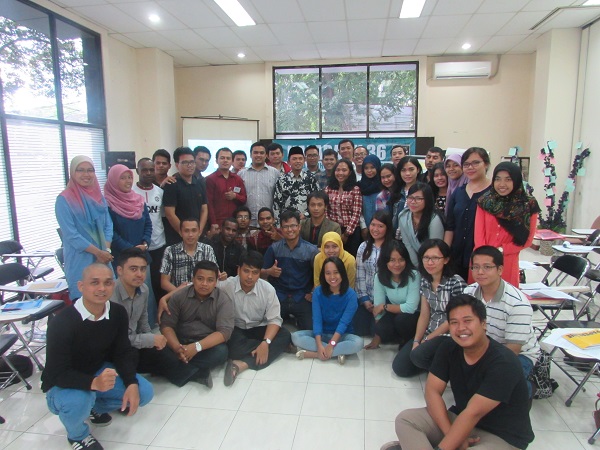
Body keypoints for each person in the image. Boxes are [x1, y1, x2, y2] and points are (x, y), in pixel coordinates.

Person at [389, 294, 534, 450]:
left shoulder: (504, 362)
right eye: (454, 322)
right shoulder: (448, 347)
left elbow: (473, 413)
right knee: (406, 420)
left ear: (483, 324)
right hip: (460, 420)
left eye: (467, 321)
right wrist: (450, 434)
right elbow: (432, 391)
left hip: (501, 436)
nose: (461, 328)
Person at [42, 263, 154, 450]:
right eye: (95, 283)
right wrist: (93, 383)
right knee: (78, 400)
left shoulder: (117, 312)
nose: (102, 288)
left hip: (96, 370)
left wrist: (131, 382)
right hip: (62, 382)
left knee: (144, 392)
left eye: (108, 283)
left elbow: (122, 351)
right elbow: (57, 373)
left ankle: (92, 406)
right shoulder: (62, 322)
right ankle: (77, 435)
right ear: (81, 286)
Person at [111, 248, 200, 387]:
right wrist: (149, 340)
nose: (139, 274)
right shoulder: (111, 297)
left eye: (143, 269)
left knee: (164, 349)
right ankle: (193, 374)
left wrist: (152, 343)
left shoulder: (144, 289)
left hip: (133, 342)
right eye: (133, 269)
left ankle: (187, 372)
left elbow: (143, 322)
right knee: (137, 356)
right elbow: (116, 340)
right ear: (120, 270)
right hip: (115, 349)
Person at [464, 246, 540, 396]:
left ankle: (527, 388)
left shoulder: (517, 303)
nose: (480, 272)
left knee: (493, 386)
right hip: (484, 347)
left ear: (500, 270)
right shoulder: (468, 292)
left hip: (519, 354)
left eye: (487, 267)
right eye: (476, 267)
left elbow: (513, 349)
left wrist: (482, 365)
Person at [392, 239, 466, 378]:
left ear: (446, 260)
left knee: (418, 356)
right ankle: (436, 362)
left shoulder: (457, 283)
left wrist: (427, 340)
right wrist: (417, 341)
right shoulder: (426, 280)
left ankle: (447, 368)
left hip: (449, 335)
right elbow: (424, 314)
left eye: (435, 258)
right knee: (400, 368)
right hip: (430, 330)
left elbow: (453, 320)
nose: (430, 262)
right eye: (426, 258)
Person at [220, 251, 292, 386]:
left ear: (260, 273)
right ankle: (272, 348)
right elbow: (202, 287)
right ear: (238, 270)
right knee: (231, 348)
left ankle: (241, 365)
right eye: (246, 271)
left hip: (259, 327)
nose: (250, 277)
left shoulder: (267, 289)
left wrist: (265, 342)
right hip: (237, 328)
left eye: (255, 272)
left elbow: (275, 319)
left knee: (285, 335)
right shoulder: (226, 285)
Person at [159, 260, 235, 389]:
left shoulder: (223, 299)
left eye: (210, 280)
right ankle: (196, 372)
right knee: (157, 350)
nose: (204, 284)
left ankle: (176, 366)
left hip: (205, 345)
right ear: (193, 278)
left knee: (221, 352)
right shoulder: (179, 296)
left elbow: (224, 332)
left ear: (216, 282)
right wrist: (177, 348)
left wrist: (197, 347)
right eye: (200, 279)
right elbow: (166, 325)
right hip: (180, 341)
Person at [55, 155, 114, 301]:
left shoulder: (99, 197)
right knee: (83, 303)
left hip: (103, 259)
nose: (86, 174)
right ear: (72, 172)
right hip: (80, 259)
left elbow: (108, 225)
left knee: (107, 302)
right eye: (80, 170)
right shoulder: (64, 200)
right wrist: (98, 252)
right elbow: (71, 235)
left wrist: (105, 251)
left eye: (90, 170)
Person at [475, 162, 540, 286]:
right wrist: (486, 256)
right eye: (498, 179)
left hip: (507, 261)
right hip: (482, 259)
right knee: (479, 296)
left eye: (508, 179)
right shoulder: (485, 201)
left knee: (506, 295)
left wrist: (501, 250)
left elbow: (527, 240)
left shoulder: (528, 204)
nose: (502, 184)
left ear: (516, 180)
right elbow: (478, 235)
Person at [292, 257, 362, 365]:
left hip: (342, 336)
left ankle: (314, 354)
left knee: (358, 343)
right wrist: (319, 344)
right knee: (295, 337)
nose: (332, 277)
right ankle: (337, 353)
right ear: (323, 275)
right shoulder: (318, 292)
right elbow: (317, 320)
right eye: (328, 273)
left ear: (342, 273)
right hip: (322, 334)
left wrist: (332, 344)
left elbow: (343, 323)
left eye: (336, 272)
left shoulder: (351, 295)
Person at [262, 209, 319, 330]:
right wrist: (269, 272)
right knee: (266, 328)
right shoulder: (274, 248)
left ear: (299, 227)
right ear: (281, 229)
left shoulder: (311, 250)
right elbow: (259, 273)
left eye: (293, 226)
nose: (289, 230)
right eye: (286, 227)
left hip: (301, 297)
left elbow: (320, 275)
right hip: (279, 296)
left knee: (311, 329)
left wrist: (312, 292)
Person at [445, 147, 492, 282]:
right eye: (466, 164)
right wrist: (445, 252)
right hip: (457, 255)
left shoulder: (494, 193)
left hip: (483, 256)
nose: (470, 167)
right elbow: (450, 226)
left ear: (486, 164)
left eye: (476, 163)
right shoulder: (458, 192)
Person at [365, 241, 421, 350]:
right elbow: (378, 308)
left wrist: (385, 306)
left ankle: (409, 341)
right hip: (396, 312)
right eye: (392, 260)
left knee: (402, 320)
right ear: (385, 260)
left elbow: (411, 308)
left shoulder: (414, 275)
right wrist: (377, 337)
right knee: (379, 327)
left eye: (401, 260)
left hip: (413, 315)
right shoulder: (380, 276)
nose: (397, 264)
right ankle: (399, 338)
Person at [133, 157, 167, 305]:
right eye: (144, 170)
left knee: (158, 282)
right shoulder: (131, 192)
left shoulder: (160, 192)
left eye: (151, 170)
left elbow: (163, 216)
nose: (148, 173)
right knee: (140, 283)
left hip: (159, 244)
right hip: (139, 245)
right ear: (137, 171)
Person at [104, 164, 152, 270]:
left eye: (129, 177)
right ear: (113, 180)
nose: (128, 181)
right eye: (123, 178)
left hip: (142, 255)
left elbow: (148, 224)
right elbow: (111, 232)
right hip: (121, 259)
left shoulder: (139, 200)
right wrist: (131, 249)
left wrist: (145, 243)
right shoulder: (107, 204)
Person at [354, 210, 394, 336]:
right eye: (373, 225)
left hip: (386, 301)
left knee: (380, 333)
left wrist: (382, 303)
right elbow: (360, 275)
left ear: (387, 228)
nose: (375, 229)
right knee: (360, 331)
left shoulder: (393, 247)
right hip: (367, 299)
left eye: (380, 226)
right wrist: (365, 299)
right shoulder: (363, 247)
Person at [162, 147, 208, 245]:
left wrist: (198, 231)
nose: (189, 165)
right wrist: (185, 232)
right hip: (177, 237)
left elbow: (204, 209)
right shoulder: (171, 184)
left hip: (197, 236)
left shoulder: (200, 183)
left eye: (192, 162)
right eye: (185, 162)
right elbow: (169, 213)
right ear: (177, 165)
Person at [160, 218, 217, 293]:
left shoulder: (208, 249)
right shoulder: (170, 251)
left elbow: (214, 275)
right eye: (186, 231)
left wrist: (221, 276)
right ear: (180, 233)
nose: (190, 235)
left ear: (199, 232)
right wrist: (181, 294)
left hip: (203, 295)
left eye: (194, 230)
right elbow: (164, 282)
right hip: (178, 295)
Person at [396, 182, 445, 266]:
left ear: (427, 200)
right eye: (410, 198)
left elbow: (435, 249)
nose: (413, 202)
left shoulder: (434, 219)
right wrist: (418, 266)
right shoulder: (403, 216)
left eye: (418, 199)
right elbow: (408, 245)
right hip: (416, 264)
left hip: (434, 262)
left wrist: (426, 266)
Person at [324, 158, 363, 256]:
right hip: (333, 229)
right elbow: (326, 211)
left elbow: (356, 214)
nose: (340, 173)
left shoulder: (355, 189)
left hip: (352, 232)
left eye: (344, 170)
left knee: (350, 258)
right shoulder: (328, 189)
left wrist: (346, 234)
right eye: (338, 170)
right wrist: (333, 229)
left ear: (350, 172)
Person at [238, 142, 280, 228]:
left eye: (261, 153)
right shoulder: (241, 174)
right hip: (247, 224)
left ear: (266, 155)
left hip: (268, 223)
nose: (258, 155)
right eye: (255, 152)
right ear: (250, 155)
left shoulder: (275, 173)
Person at [205, 147, 247, 234]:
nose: (225, 160)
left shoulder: (237, 179)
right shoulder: (210, 179)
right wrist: (213, 223)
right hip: (218, 223)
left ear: (232, 161)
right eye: (222, 158)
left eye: (228, 158)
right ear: (216, 160)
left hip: (234, 224)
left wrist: (235, 196)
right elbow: (209, 203)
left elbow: (244, 199)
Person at [273, 146, 318, 223]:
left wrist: (306, 215)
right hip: (287, 223)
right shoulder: (282, 180)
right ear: (288, 162)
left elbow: (317, 200)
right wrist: (278, 223)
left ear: (304, 160)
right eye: (294, 159)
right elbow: (276, 204)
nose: (298, 161)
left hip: (307, 222)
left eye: (300, 159)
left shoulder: (311, 179)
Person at [390, 156, 422, 232]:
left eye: (411, 169)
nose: (407, 173)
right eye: (403, 170)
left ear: (418, 170)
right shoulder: (397, 190)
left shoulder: (424, 190)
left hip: (416, 234)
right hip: (397, 234)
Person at [359, 154, 382, 227]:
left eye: (372, 167)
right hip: (364, 227)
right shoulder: (359, 186)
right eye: (366, 168)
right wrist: (363, 227)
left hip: (381, 226)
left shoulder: (383, 186)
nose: (369, 171)